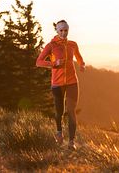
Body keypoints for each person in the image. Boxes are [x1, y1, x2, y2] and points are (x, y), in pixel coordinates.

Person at [36, 20, 85, 150]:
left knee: (71, 111)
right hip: (57, 84)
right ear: (57, 31)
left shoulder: (73, 45)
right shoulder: (51, 46)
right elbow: (39, 62)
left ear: (68, 30)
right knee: (60, 112)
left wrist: (82, 64)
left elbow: (79, 57)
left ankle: (71, 142)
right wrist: (54, 63)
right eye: (61, 30)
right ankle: (59, 132)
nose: (63, 32)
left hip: (72, 82)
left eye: (65, 30)